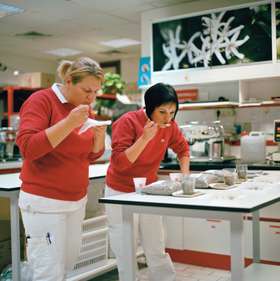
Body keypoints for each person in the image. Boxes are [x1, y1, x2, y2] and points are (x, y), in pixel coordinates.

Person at [16, 57, 107, 281]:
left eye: (96, 92)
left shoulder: (83, 108)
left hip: (75, 201)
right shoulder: (41, 100)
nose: (91, 98)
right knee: (48, 271)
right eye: (87, 90)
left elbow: (89, 155)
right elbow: (27, 147)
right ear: (68, 81)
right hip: (44, 203)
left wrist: (99, 141)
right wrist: (68, 123)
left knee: (67, 266)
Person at [105, 83, 190, 281]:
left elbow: (183, 150)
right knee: (126, 247)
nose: (168, 118)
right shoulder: (127, 122)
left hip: (149, 190)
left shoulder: (170, 126)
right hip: (120, 191)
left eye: (172, 112)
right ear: (149, 107)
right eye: (162, 112)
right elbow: (119, 164)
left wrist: (185, 176)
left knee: (156, 244)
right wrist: (144, 138)